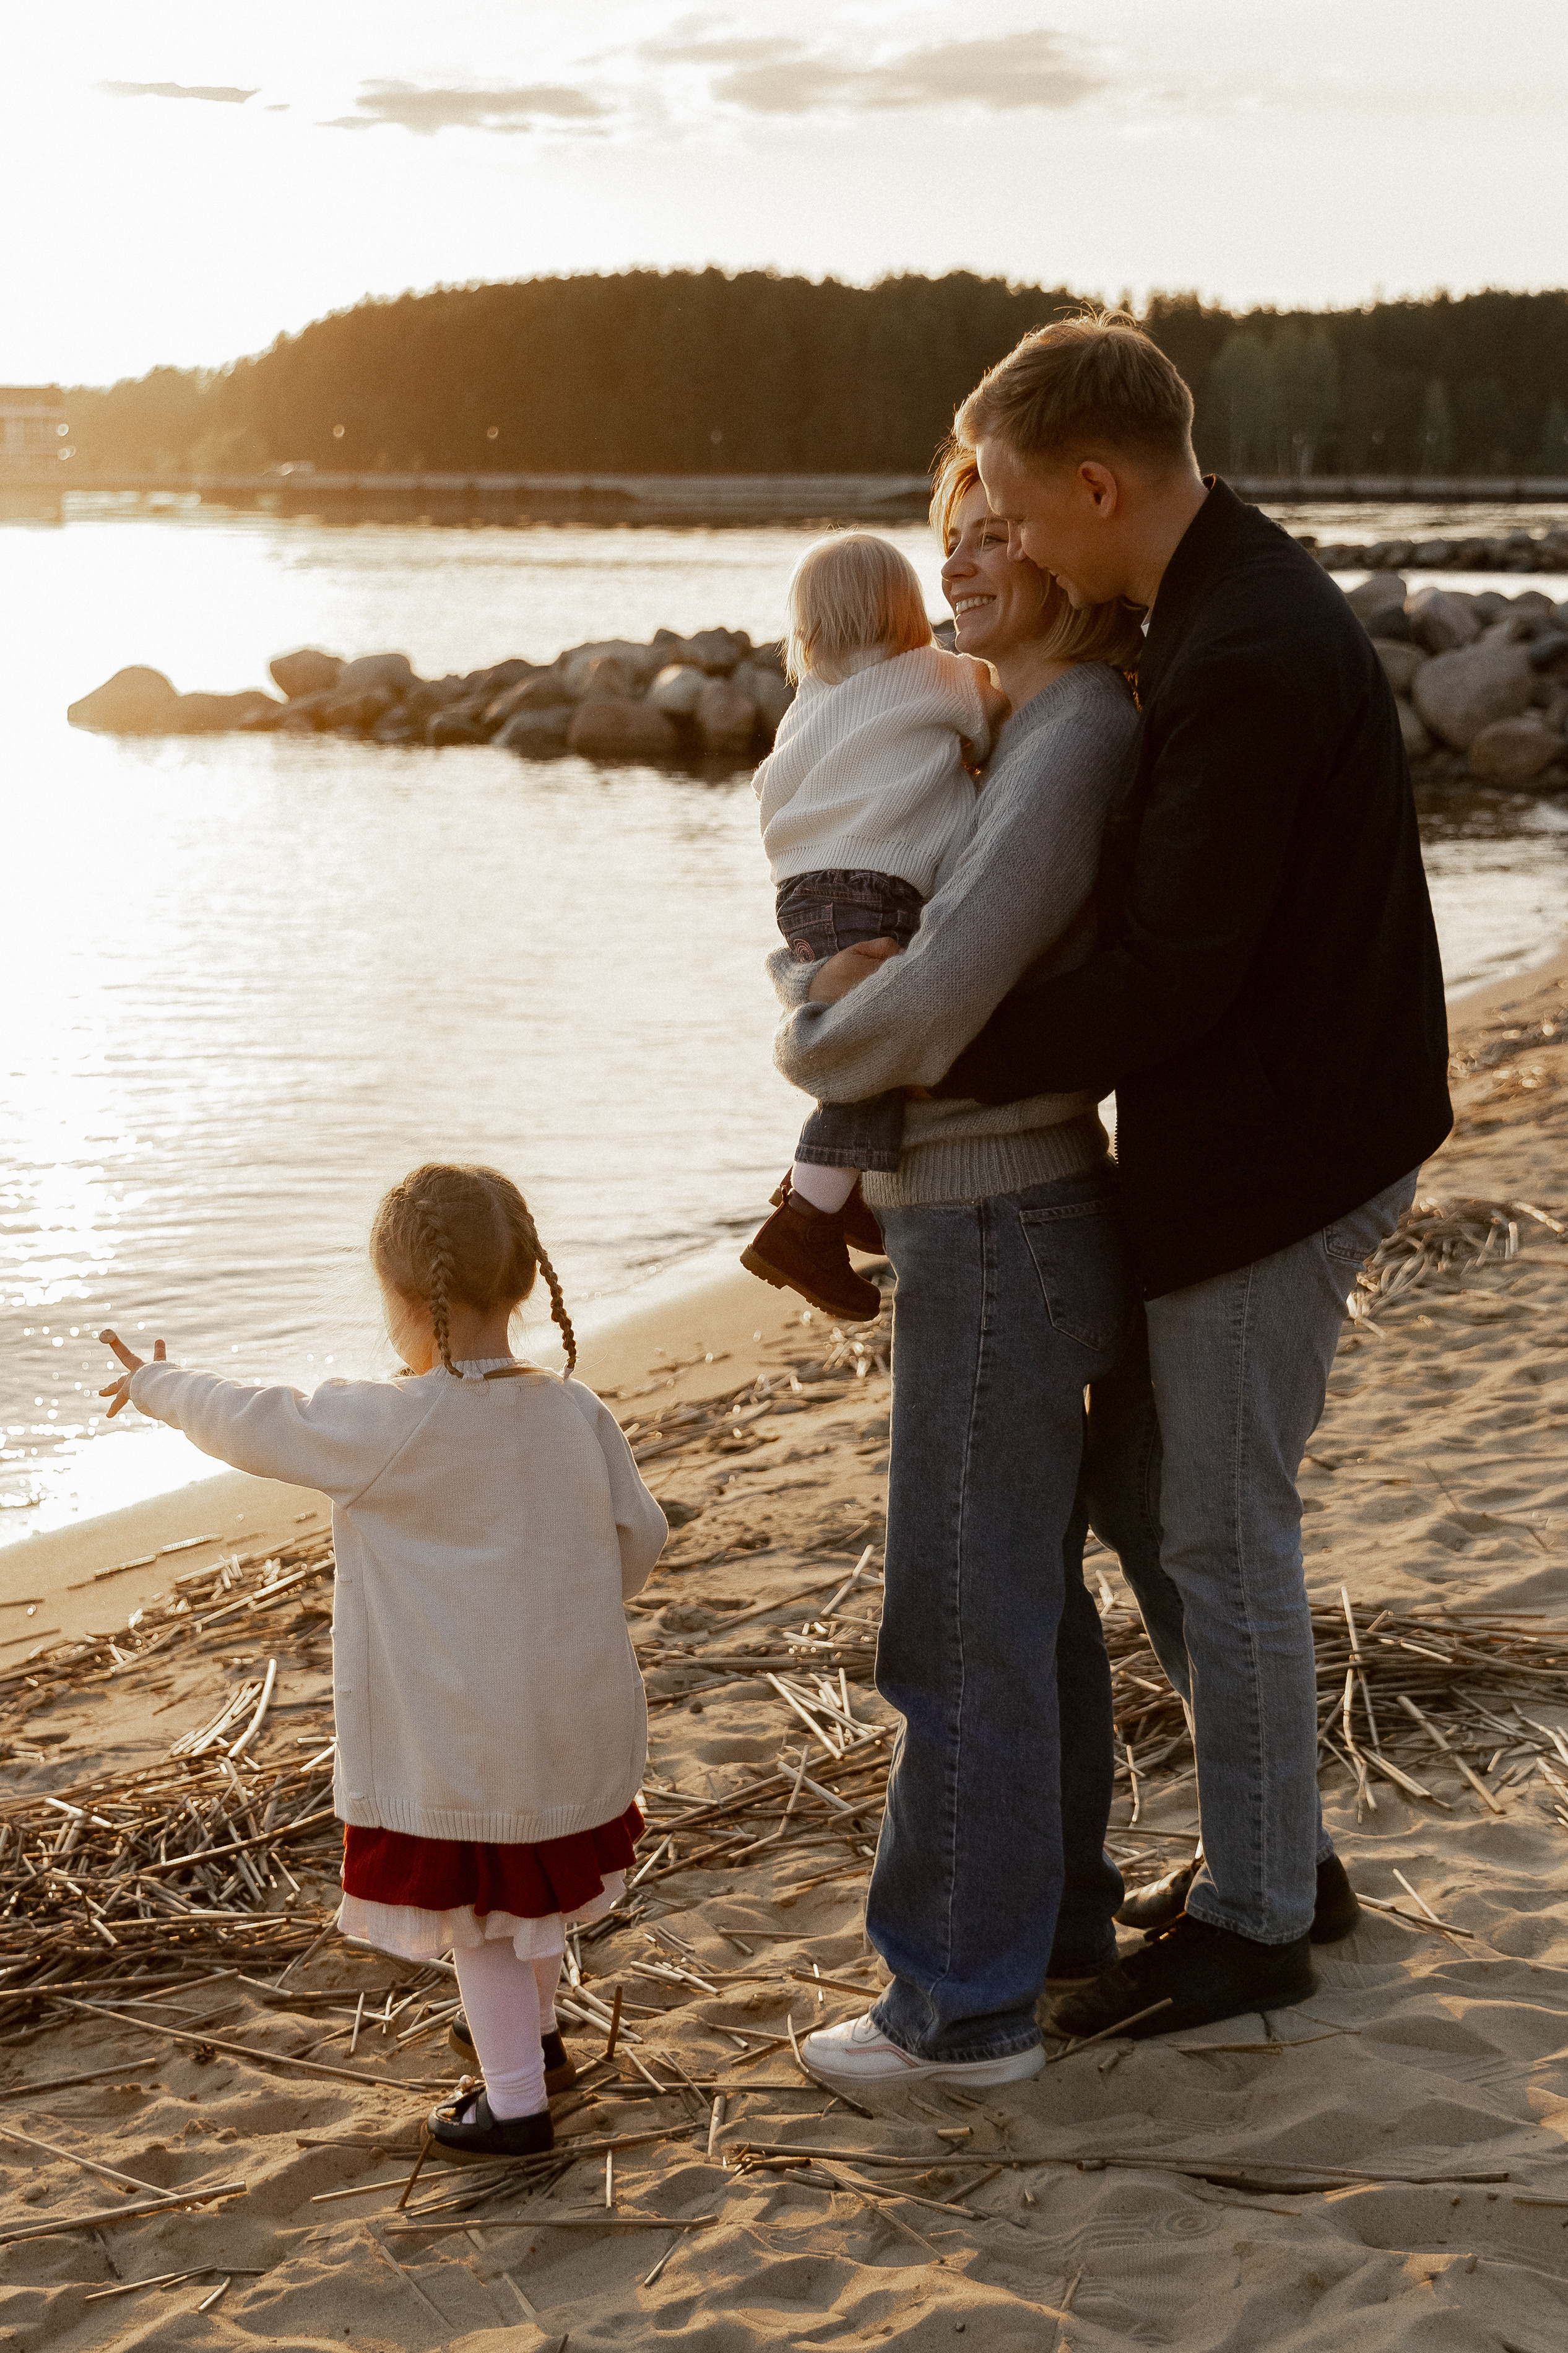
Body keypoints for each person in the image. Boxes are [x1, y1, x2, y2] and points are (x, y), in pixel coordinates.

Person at [931, 313, 1452, 2038]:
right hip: (1282, 1128)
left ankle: (1254, 1918)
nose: (1000, 544)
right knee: (1154, 1500)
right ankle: (1277, 1851)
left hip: (1283, 1162)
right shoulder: (1219, 600)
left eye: (1011, 511)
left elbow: (1173, 978)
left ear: (1094, 484)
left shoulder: (1235, 652)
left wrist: (934, 1044)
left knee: (1219, 1534)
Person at [766, 450, 1145, 2089]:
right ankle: (1051, 1927)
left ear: (1080, 536)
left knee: (956, 1621)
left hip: (993, 1213)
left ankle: (956, 2010)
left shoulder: (1070, 732)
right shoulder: (1012, 724)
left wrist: (809, 1038)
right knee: (1022, 1604)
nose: (968, 563)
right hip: (988, 1211)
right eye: (953, 541)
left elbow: (934, 996)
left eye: (999, 535)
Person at [98, 1160, 667, 2161]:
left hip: (464, 1735)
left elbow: (253, 1421)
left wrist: (155, 1384)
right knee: (529, 1897)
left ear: (398, 1296)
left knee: (484, 1924)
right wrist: (567, 1610)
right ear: (526, 1281)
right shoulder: (574, 1410)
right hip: (576, 1715)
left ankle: (515, 2108)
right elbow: (639, 1539)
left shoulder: (390, 1424)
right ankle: (536, 2044)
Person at [741, 529, 1008, 1322]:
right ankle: (804, 1219)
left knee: (852, 1037)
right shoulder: (931, 675)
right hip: (877, 883)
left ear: (808, 633)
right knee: (876, 1048)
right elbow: (998, 713)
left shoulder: (808, 706)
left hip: (802, 893)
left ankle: (843, 1189)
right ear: (908, 615)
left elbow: (770, 793)